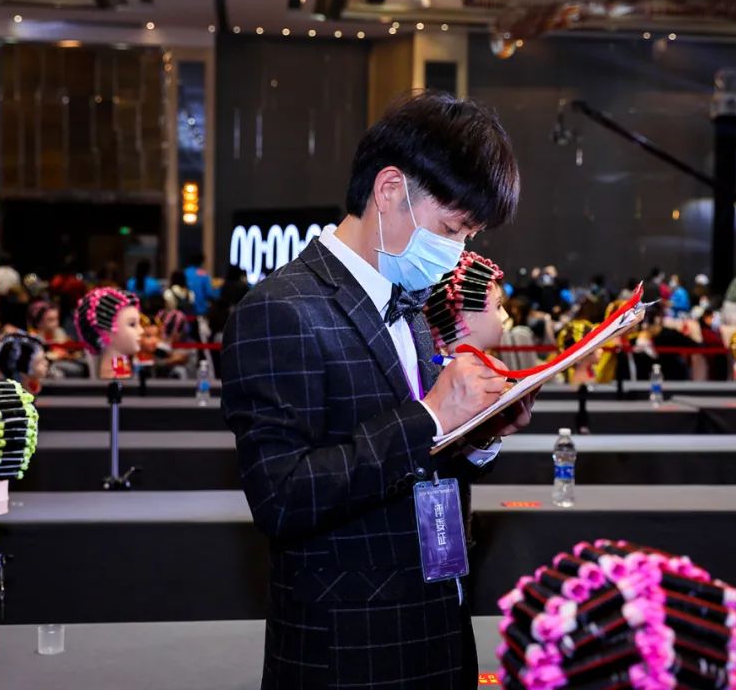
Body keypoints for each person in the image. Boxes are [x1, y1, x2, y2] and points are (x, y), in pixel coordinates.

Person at [222, 91, 533, 689]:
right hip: (348, 650)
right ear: (389, 189)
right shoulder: (280, 310)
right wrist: (432, 417)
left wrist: (477, 432)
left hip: (437, 622)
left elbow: (419, 458)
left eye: (469, 235)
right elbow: (281, 497)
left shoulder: (408, 303)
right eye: (452, 229)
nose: (458, 251)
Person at [184, 252, 220, 317]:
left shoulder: (185, 272)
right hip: (200, 310)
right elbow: (209, 293)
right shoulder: (203, 274)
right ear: (201, 262)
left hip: (186, 311)